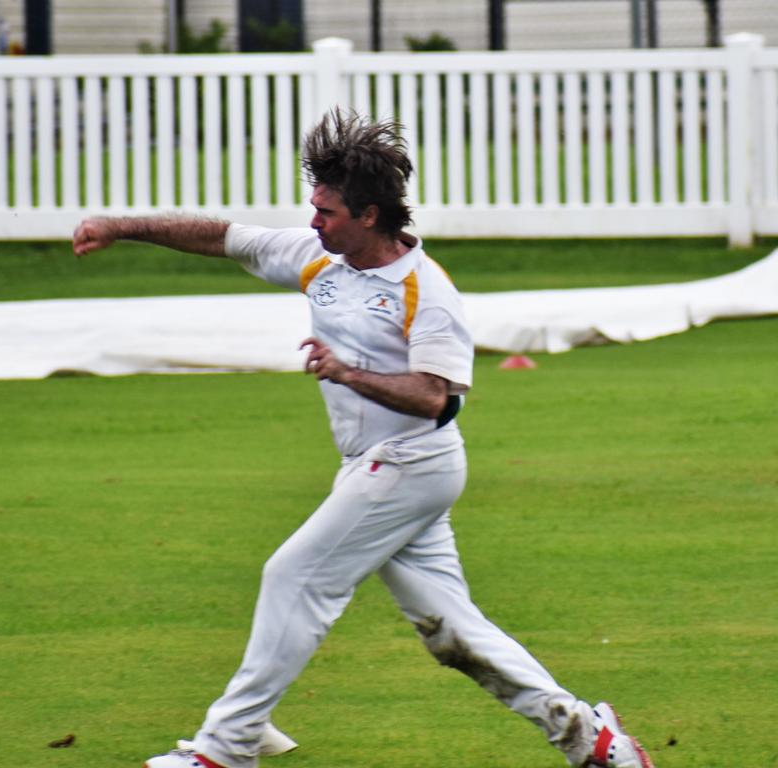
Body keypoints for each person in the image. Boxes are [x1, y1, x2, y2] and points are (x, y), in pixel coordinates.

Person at [71, 109, 654, 768]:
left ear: (370, 216)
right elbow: (222, 237)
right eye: (314, 207)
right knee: (451, 632)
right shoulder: (317, 257)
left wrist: (347, 371)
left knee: (293, 576)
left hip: (412, 463)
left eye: (328, 210)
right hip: (373, 467)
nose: (314, 221)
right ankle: (589, 736)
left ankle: (224, 748)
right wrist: (119, 227)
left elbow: (436, 395)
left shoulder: (424, 291)